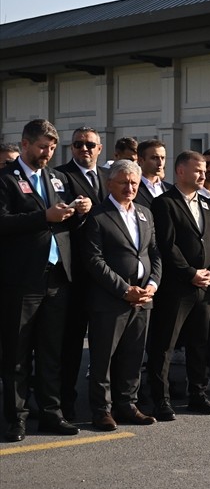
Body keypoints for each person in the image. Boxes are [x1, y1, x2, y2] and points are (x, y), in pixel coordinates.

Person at [0, 119, 93, 441]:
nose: (47, 153)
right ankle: (17, 418)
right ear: (24, 144)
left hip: (57, 276)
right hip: (22, 279)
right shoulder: (6, 180)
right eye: (42, 147)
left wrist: (79, 213)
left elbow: (65, 225)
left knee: (52, 351)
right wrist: (44, 217)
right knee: (17, 353)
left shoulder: (57, 179)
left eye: (52, 148)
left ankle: (52, 414)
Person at [83, 159, 162, 430]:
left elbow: (154, 252)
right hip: (111, 300)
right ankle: (101, 410)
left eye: (134, 183)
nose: (129, 187)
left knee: (133, 356)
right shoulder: (97, 215)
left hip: (143, 299)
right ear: (110, 184)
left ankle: (127, 405)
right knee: (103, 358)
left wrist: (153, 284)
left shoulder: (144, 213)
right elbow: (94, 261)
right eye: (124, 182)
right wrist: (124, 289)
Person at [147, 150, 210, 419]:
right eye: (198, 170)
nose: (204, 174)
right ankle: (161, 399)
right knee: (164, 344)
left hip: (205, 287)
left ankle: (198, 395)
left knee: (199, 343)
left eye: (205, 170)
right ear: (180, 172)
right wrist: (190, 272)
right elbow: (167, 247)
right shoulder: (164, 203)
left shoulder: (207, 203)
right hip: (177, 287)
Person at [58, 125, 107, 420]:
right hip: (75, 273)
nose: (84, 149)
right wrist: (78, 212)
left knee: (104, 344)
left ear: (99, 148)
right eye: (78, 145)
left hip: (105, 274)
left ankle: (104, 403)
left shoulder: (107, 177)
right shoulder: (62, 176)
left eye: (90, 145)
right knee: (71, 344)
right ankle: (65, 403)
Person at [134, 139, 170, 208]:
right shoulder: (132, 189)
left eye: (162, 158)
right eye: (155, 158)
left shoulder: (170, 189)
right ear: (141, 160)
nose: (160, 163)